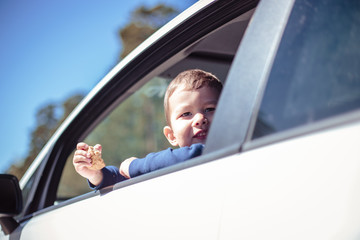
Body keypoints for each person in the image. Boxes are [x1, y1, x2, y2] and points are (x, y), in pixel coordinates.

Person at [72, 69, 223, 190]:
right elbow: (124, 181)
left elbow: (194, 153)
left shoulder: (223, 147)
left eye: (210, 109)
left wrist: (133, 166)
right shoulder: (168, 169)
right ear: (171, 136)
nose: (199, 119)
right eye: (186, 114)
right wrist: (97, 175)